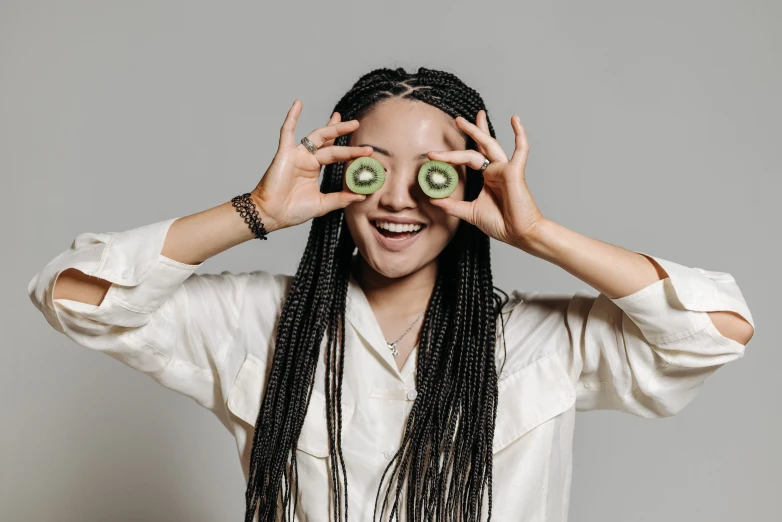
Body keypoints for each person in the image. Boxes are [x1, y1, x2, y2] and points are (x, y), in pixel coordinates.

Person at [27, 66, 755, 522]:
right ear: (340, 179)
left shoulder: (540, 341)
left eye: (434, 172)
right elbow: (76, 295)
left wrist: (538, 234)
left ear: (470, 183)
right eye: (372, 170)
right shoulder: (254, 322)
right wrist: (256, 211)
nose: (399, 201)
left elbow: (718, 329)